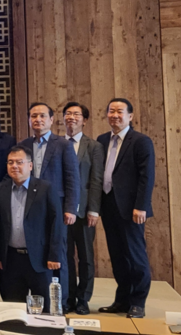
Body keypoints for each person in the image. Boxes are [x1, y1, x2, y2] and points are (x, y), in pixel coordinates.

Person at [97, 98, 154, 319]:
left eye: (119, 111)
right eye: (111, 111)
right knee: (117, 256)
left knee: (135, 256)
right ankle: (122, 300)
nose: (115, 115)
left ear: (130, 116)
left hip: (132, 209)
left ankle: (138, 302)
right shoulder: (102, 140)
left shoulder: (140, 141)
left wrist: (141, 206)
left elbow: (147, 177)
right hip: (108, 204)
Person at [18, 102, 79, 305]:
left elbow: (72, 178)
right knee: (38, 251)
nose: (38, 120)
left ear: (51, 120)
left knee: (58, 253)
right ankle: (39, 297)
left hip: (57, 206)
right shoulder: (23, 145)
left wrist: (70, 208)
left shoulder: (63, 145)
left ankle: (63, 302)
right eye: (34, 116)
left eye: (42, 116)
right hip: (30, 206)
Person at [0, 146, 65, 313]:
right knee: (13, 309)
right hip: (10, 260)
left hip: (40, 259)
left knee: (45, 310)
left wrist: (54, 255)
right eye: (10, 162)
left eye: (19, 162)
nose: (14, 166)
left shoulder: (45, 188)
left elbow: (56, 224)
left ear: (30, 165)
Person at [63, 102, 105, 315]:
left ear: (84, 120)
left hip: (84, 211)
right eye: (68, 113)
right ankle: (69, 297)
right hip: (62, 211)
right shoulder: (57, 144)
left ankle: (83, 299)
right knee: (65, 257)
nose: (71, 117)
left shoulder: (94, 146)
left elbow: (96, 179)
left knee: (86, 257)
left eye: (76, 114)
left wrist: (94, 210)